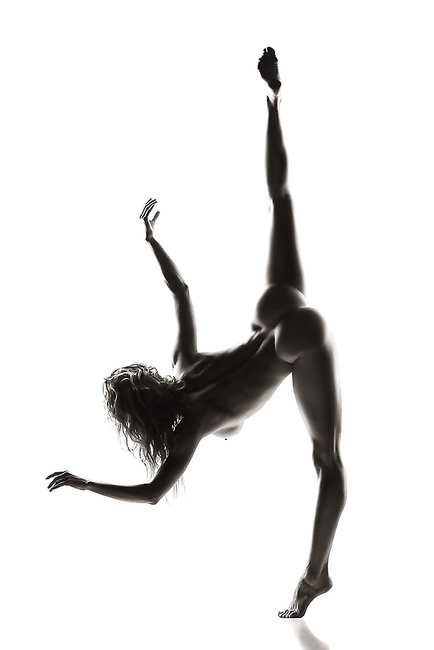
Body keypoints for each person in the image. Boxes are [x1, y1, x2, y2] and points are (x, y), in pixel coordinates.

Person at [46, 47, 346, 618]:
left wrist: (87, 484)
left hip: (296, 336)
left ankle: (315, 577)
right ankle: (273, 99)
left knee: (327, 460)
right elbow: (181, 291)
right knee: (279, 201)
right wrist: (152, 241)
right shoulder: (185, 364)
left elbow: (152, 494)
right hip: (274, 309)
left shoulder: (193, 424)